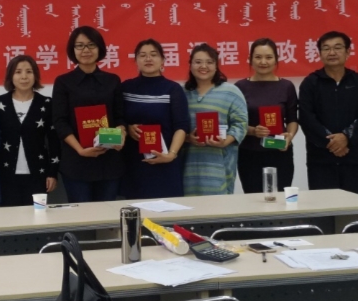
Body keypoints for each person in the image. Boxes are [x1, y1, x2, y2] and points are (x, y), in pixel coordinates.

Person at [51, 26, 126, 203]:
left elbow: (120, 117)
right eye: (80, 45)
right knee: (81, 215)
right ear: (73, 50)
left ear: (99, 48)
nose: (86, 50)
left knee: (107, 215)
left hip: (109, 160)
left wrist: (121, 135)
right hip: (77, 162)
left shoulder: (113, 80)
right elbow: (60, 121)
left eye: (91, 45)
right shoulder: (63, 82)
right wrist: (80, 149)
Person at [298, 31, 358, 195]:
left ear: (348, 52)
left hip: (354, 159)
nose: (332, 52)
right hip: (321, 161)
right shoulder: (311, 83)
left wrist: (346, 137)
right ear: (320, 53)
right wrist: (332, 142)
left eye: (337, 48)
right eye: (326, 48)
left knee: (356, 206)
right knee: (324, 207)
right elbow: (306, 117)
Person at [120, 39, 190, 199]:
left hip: (164, 162)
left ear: (163, 60)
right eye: (142, 55)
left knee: (167, 210)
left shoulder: (173, 89)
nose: (148, 59)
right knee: (135, 210)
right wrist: (128, 127)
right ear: (136, 61)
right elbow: (118, 119)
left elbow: (181, 126)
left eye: (153, 54)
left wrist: (171, 154)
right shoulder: (126, 88)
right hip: (133, 164)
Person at [234, 38, 299, 193]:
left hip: (279, 152)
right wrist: (252, 131)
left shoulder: (286, 86)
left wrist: (289, 136)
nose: (263, 62)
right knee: (253, 198)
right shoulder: (240, 87)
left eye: (269, 57)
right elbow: (235, 122)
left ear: (276, 59)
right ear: (250, 59)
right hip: (249, 153)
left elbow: (292, 120)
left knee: (280, 197)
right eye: (258, 57)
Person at [183, 43, 248, 195]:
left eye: (209, 62)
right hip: (188, 167)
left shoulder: (231, 92)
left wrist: (226, 141)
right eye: (198, 62)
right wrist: (187, 138)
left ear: (216, 66)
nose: (203, 66)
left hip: (219, 167)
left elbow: (241, 124)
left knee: (219, 206)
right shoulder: (182, 93)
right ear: (190, 65)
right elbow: (176, 127)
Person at [0, 55, 59, 207]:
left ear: (35, 75)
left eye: (29, 71)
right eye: (18, 72)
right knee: (9, 218)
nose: (24, 77)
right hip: (5, 175)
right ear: (10, 76)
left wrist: (52, 173)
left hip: (39, 175)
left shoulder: (47, 103)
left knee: (38, 216)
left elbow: (54, 141)